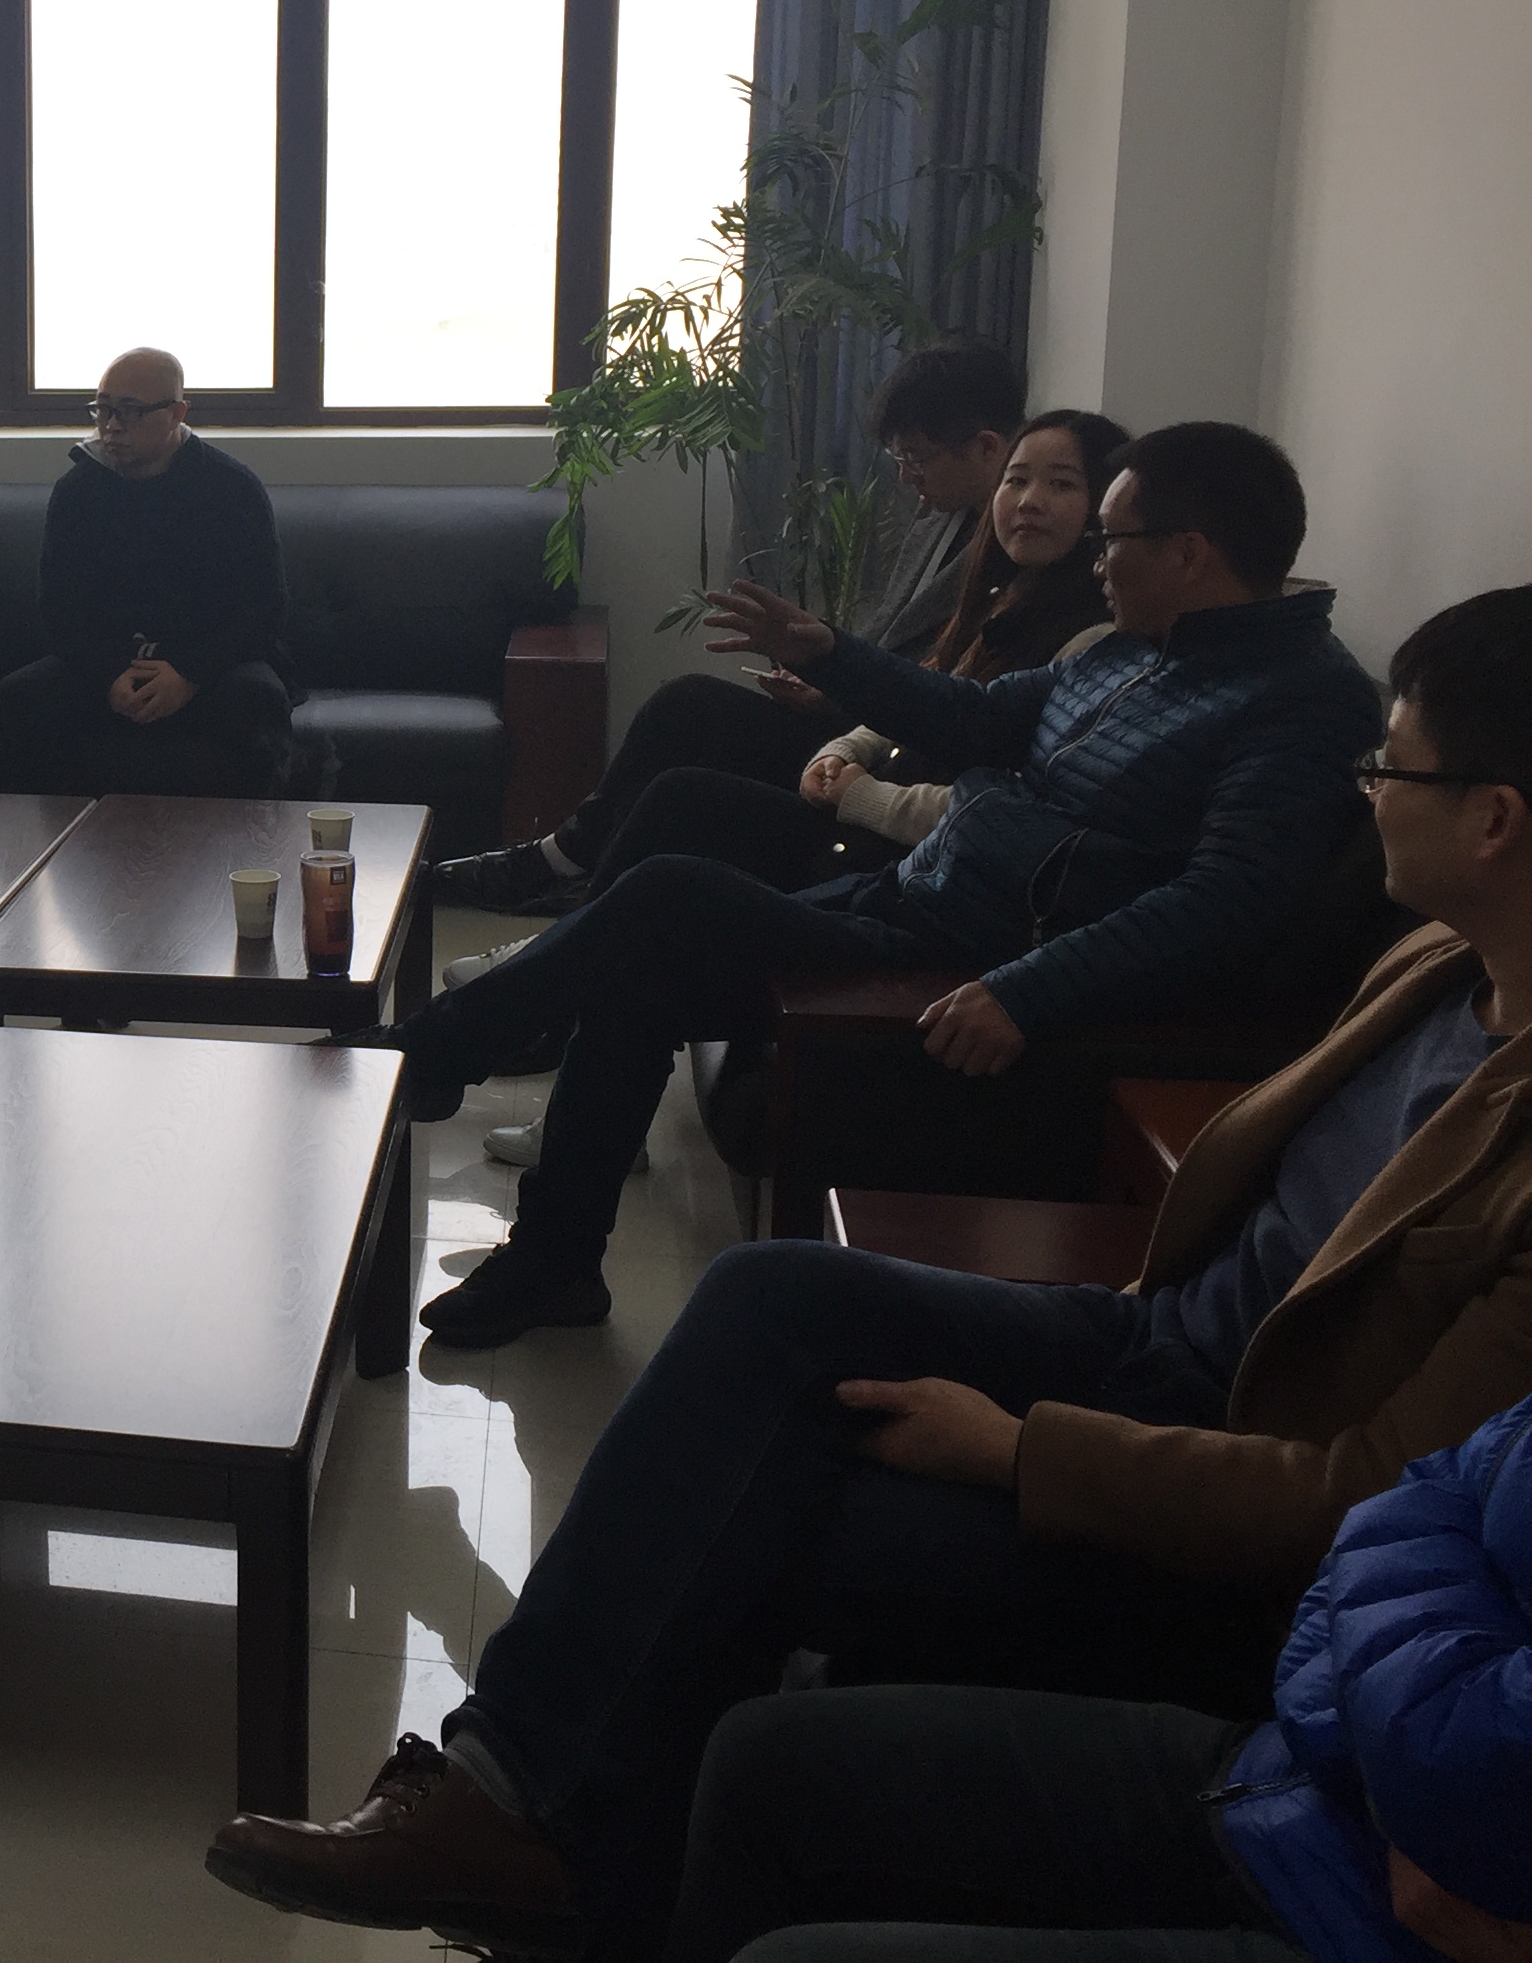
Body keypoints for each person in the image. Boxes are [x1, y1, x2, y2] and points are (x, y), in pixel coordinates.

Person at [205, 581, 1532, 1963]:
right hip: (1149, 1329)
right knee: (766, 1293)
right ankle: (511, 1799)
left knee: (758, 1504)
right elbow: (985, 724)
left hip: (1210, 1435)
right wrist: (836, 661)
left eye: (1393, 768)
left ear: (1493, 819)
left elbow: (1358, 1495)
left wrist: (1019, 1447)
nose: (1366, 792)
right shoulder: (1442, 967)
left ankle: (552, 1854)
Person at [386, 422, 1380, 1348]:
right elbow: (975, 717)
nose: (1097, 563)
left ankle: (429, 1054)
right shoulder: (1135, 653)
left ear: (1189, 554)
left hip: (972, 966)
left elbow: (1225, 903)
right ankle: (555, 1260)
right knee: (640, 969)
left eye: (1112, 541)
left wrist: (1024, 992)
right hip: (920, 899)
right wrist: (827, 652)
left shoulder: (1300, 702)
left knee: (667, 894)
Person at [473, 408, 1128, 1175]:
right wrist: (842, 748)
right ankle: (558, 977)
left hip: (913, 863)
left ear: (1110, 513)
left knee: (685, 808)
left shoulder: (1093, 643)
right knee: (688, 733)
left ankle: (542, 1000)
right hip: (877, 806)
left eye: (1061, 486)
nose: (1028, 502)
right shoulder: (1006, 592)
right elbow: (932, 696)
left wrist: (860, 795)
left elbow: (1002, 809)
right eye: (1018, 481)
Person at [666, 1384, 1532, 1963]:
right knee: (759, 1762)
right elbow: (1421, 1491)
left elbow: (1461, 1777)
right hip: (1299, 1782)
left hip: (1364, 1917)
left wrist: (1425, 1754)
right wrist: (1410, 1763)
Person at [437, 339, 1026, 914]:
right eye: (899, 460)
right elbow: (890, 648)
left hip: (880, 764)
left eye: (916, 459)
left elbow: (945, 700)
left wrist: (839, 685)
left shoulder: (1020, 566)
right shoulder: (942, 520)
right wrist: (825, 682)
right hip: (854, 727)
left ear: (986, 449)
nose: (906, 478)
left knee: (682, 778)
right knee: (685, 704)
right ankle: (566, 859)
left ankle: (573, 886)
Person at [0, 347, 292, 799]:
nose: (112, 426)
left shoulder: (231, 488)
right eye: (103, 409)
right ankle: (54, 842)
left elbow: (264, 607)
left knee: (258, 699)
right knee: (19, 698)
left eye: (130, 411)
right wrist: (108, 677)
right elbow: (58, 608)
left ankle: (243, 843)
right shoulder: (78, 491)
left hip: (207, 668)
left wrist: (188, 674)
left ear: (176, 414)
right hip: (107, 667)